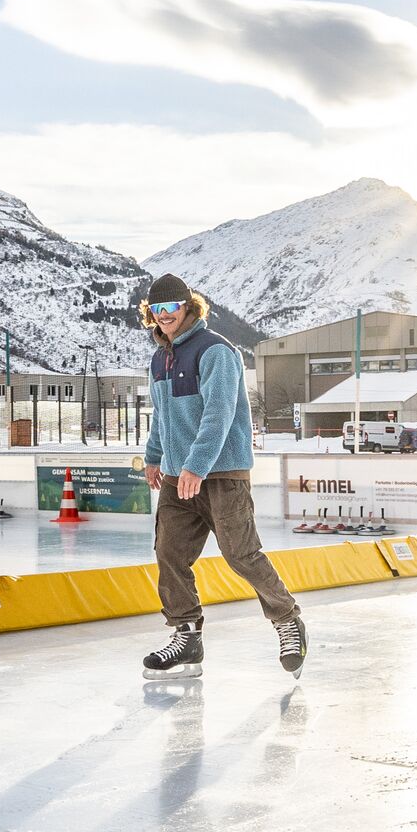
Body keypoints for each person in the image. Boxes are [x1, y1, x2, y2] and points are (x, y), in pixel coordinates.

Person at [137, 273, 305, 677]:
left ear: (188, 307)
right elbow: (162, 415)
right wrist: (154, 456)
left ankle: (287, 619)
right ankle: (187, 636)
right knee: (170, 554)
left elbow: (219, 413)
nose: (163, 316)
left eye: (171, 307)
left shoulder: (216, 351)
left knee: (241, 554)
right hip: (178, 477)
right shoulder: (160, 359)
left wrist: (198, 464)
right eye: (156, 310)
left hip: (222, 472)